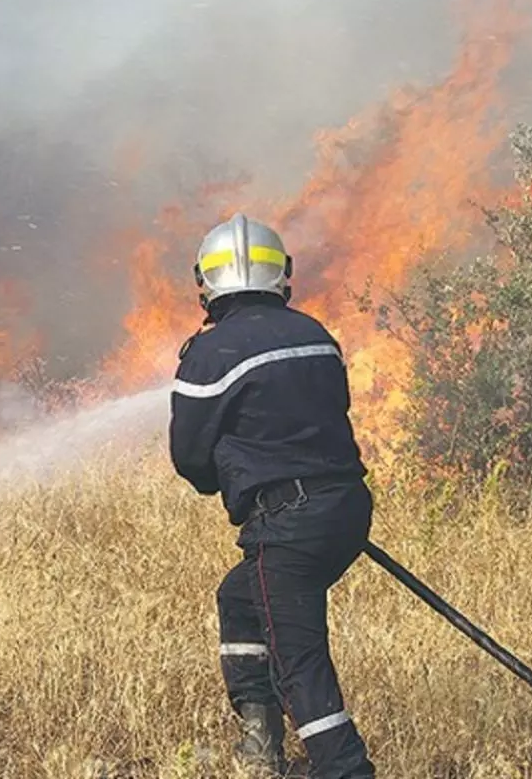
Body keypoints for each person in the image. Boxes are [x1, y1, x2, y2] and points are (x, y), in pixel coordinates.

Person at [168, 213, 377, 778]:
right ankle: (261, 748)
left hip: (287, 527)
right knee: (240, 600)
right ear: (281, 274)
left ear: (204, 282)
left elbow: (190, 461)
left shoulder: (210, 354)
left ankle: (345, 769)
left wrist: (229, 475)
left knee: (299, 660)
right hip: (346, 511)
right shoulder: (317, 336)